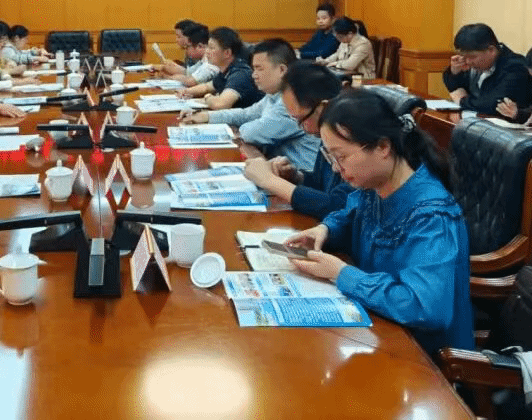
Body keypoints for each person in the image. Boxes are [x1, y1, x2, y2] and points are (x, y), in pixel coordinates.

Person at [283, 89, 474, 355]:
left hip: (423, 359)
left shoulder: (431, 216)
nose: (336, 168)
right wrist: (324, 229)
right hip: (376, 333)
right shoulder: (375, 185)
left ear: (383, 147)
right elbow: (350, 214)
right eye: (331, 157)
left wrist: (341, 274)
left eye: (342, 157)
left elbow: (425, 308)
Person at [180, 39, 319, 168]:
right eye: (254, 69)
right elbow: (246, 114)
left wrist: (238, 130)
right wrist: (206, 116)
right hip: (277, 169)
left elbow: (251, 133)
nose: (254, 75)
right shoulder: (274, 95)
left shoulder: (294, 101)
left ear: (282, 70)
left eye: (259, 69)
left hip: (301, 178)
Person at [242, 62, 354, 218]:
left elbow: (340, 206)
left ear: (323, 108)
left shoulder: (353, 137)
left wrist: (269, 181)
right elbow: (321, 185)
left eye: (301, 119)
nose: (301, 127)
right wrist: (296, 177)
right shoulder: (327, 132)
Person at [442, 23, 532, 114]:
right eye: (464, 56)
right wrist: (455, 73)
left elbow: (492, 105)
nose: (468, 61)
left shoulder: (516, 67)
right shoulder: (475, 63)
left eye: (472, 57)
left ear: (491, 50)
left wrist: (461, 101)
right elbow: (454, 86)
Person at [179, 27, 263, 110]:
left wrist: (207, 97)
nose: (207, 51)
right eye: (207, 47)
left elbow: (219, 104)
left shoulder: (240, 73)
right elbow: (207, 87)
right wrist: (186, 92)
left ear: (227, 53)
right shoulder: (226, 71)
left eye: (211, 48)